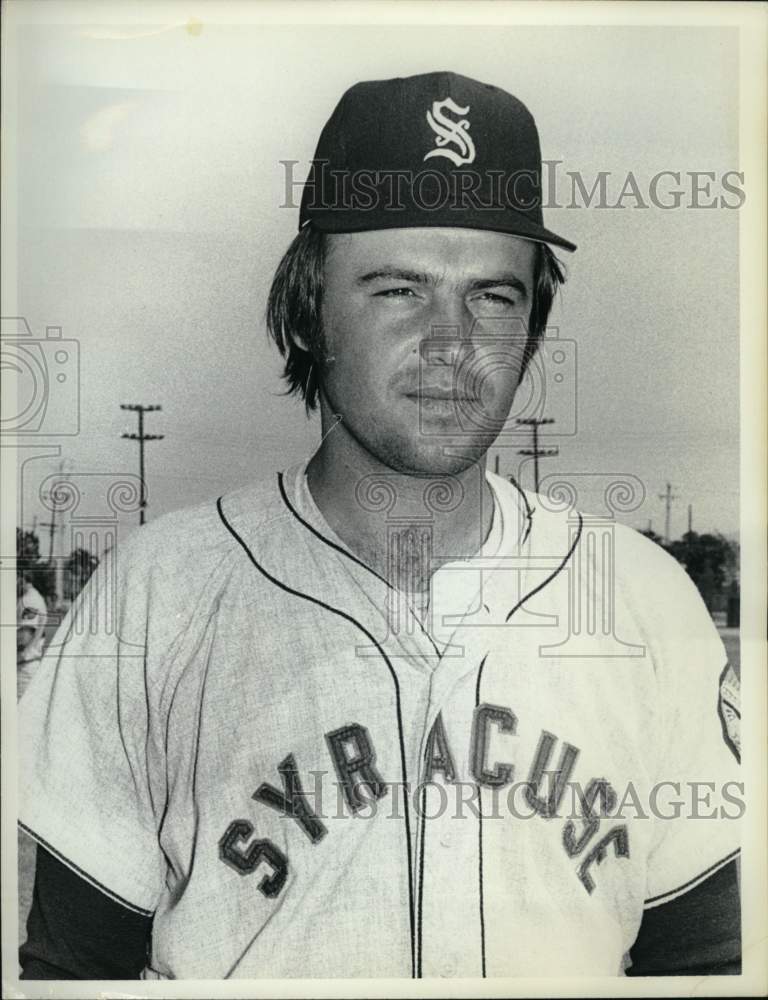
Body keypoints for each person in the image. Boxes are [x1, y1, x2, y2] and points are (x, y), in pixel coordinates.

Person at [18, 71, 740, 980]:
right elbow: (67, 972)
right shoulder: (156, 597)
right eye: (398, 289)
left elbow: (713, 967)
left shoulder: (641, 603)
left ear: (534, 328)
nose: (452, 340)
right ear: (311, 310)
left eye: (494, 296)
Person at [16, 575, 48, 701]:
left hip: (24, 666)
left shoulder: (29, 600)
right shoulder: (27, 597)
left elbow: (26, 635)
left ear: (21, 578)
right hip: (25, 664)